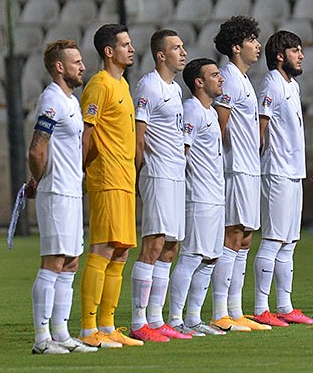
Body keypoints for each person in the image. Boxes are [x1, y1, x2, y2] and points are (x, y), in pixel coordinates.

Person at [28, 39, 97, 354]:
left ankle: (61, 334)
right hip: (56, 191)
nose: (82, 67)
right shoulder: (52, 100)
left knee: (70, 262)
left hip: (70, 191)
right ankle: (42, 339)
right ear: (59, 67)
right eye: (76, 62)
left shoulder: (70, 100)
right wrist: (39, 179)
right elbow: (36, 149)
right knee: (53, 261)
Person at [79, 24, 143, 347]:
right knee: (103, 247)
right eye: (125, 44)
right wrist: (82, 170)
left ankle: (107, 326)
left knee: (121, 251)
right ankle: (88, 329)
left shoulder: (123, 85)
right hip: (106, 176)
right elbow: (86, 135)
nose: (131, 49)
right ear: (109, 51)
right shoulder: (99, 85)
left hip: (125, 178)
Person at [252, 30, 313, 326]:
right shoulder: (271, 83)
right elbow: (261, 125)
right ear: (280, 56)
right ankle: (260, 308)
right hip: (276, 170)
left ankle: (285, 306)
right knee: (273, 239)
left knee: (289, 242)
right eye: (295, 51)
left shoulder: (292, 85)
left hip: (293, 171)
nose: (301, 55)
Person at [129, 29, 192, 342]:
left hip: (176, 174)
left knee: (171, 246)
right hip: (157, 173)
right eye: (176, 48)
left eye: (182, 47)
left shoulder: (176, 89)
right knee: (153, 244)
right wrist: (136, 174)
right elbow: (138, 136)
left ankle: (156, 318)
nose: (183, 52)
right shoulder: (149, 86)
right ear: (161, 55)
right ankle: (138, 321)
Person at [210, 15, 270, 331]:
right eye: (251, 40)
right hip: (234, 168)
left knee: (245, 237)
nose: (257, 45)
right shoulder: (229, 79)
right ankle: (220, 311)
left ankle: (235, 309)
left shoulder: (243, 79)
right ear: (236, 47)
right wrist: (222, 162)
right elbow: (219, 123)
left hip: (249, 168)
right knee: (232, 235)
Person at [167, 58, 229, 336]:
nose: (221, 79)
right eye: (214, 75)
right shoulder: (191, 109)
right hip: (199, 195)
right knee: (192, 256)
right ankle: (175, 318)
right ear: (199, 82)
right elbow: (183, 151)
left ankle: (193, 317)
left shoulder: (211, 113)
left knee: (210, 258)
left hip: (215, 194)